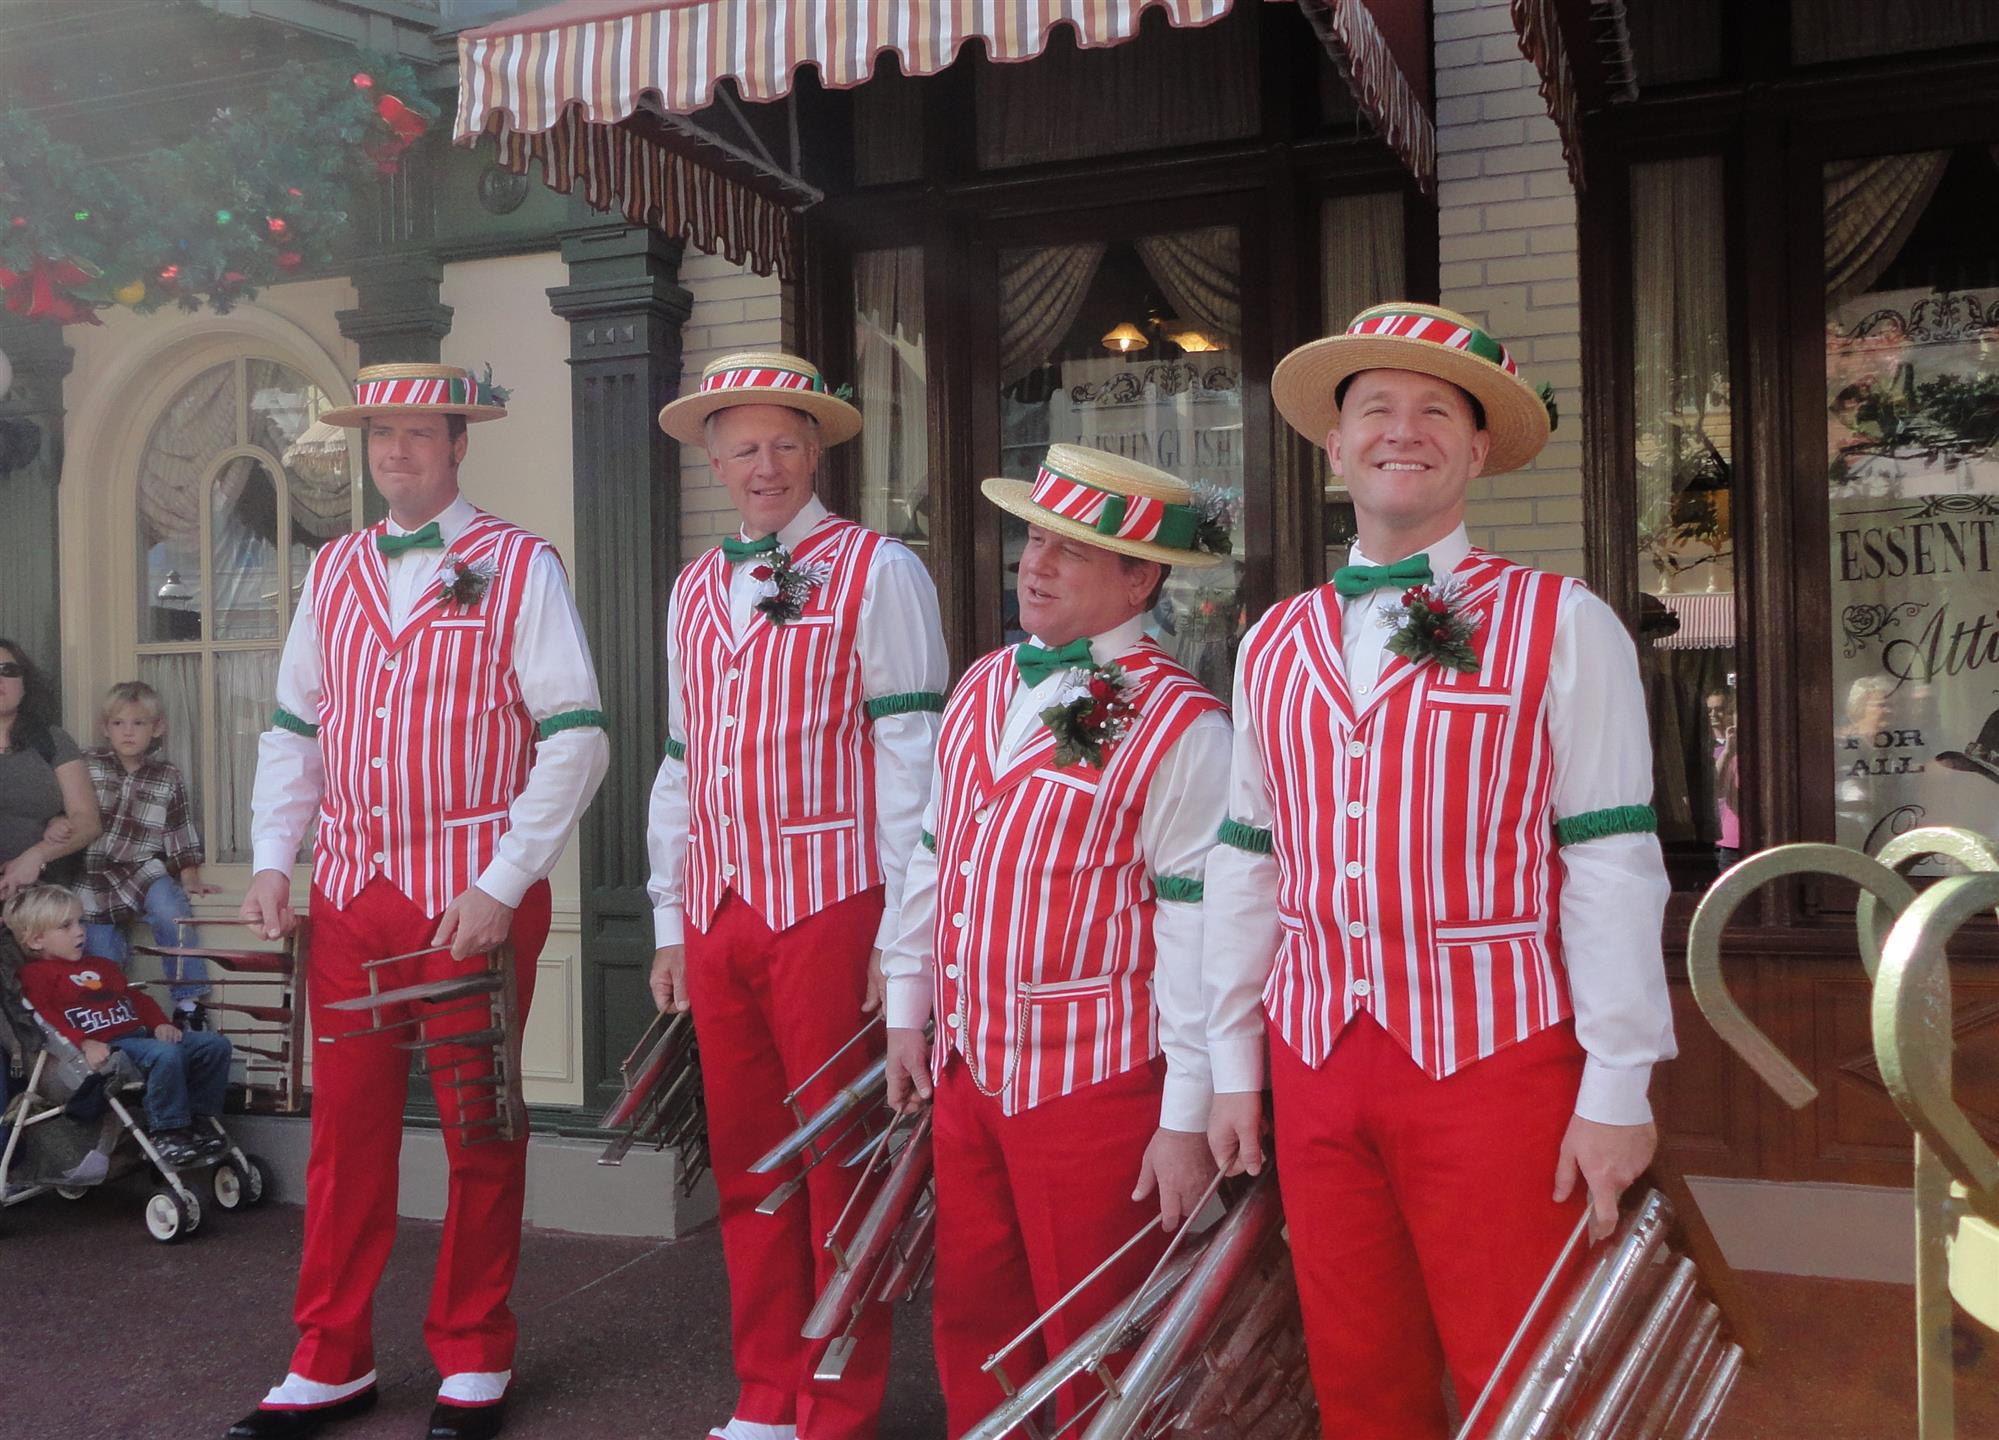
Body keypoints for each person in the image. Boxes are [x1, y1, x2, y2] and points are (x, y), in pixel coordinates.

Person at [1203, 303, 1676, 1440]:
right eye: (1374, 408)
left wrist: (1618, 1085)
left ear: (1474, 451)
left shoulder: (1564, 623)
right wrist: (1229, 1058)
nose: (1399, 430)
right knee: (1358, 1366)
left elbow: (1611, 861)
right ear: (1334, 445)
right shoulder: (1270, 640)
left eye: (1433, 412)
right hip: (1314, 1056)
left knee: (1528, 1367)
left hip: (1497, 1057)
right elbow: (1244, 861)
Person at [228, 363, 609, 1440]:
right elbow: (296, 730)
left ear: (458, 444)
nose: (395, 452)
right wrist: (272, 856)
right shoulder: (337, 567)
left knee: (477, 1127)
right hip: (350, 898)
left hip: (467, 906)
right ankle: (328, 1357)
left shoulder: (519, 564)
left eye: (417, 434)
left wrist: (503, 882)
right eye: (380, 434)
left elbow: (577, 735)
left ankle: (475, 1351)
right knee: (346, 1136)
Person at [880, 444, 1235, 1436]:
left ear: (1140, 578)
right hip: (969, 1072)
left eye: (1070, 551)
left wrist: (1185, 1116)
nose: (1034, 565)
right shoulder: (985, 684)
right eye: (1034, 538)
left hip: (1099, 1086)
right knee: (974, 1322)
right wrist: (909, 1010)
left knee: (1098, 1340)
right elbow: (929, 854)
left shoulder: (1182, 726)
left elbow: (1198, 929)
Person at [646, 350, 949, 1440]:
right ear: (714, 460)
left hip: (833, 904)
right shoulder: (691, 587)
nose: (762, 464)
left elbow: (914, 758)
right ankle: (768, 1390)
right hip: (720, 911)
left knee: (835, 1163)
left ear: (815, 451)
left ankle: (835, 1401)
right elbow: (679, 760)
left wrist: (902, 936)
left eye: (783, 443)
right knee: (746, 1162)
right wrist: (670, 912)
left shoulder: (878, 570)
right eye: (742, 447)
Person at [7, 884, 232, 1166]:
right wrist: (83, 1043)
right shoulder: (35, 976)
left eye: (80, 922)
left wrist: (160, 1023)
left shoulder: (102, 966)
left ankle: (199, 1119)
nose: (79, 931)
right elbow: (46, 1018)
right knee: (166, 1055)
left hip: (140, 1035)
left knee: (215, 1045)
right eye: (66, 926)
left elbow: (136, 1000)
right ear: (37, 940)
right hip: (108, 1046)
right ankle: (166, 1132)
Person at [0, 636, 102, 1118]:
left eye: (6, 670)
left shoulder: (49, 740)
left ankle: (64, 1130)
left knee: (58, 1009)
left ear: (24, 682)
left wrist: (36, 855)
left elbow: (87, 820)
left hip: (43, 912)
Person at [80, 681, 217, 1025]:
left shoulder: (166, 776)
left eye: (138, 723)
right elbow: (69, 811)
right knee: (101, 950)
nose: (128, 732)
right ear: (105, 728)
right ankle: (114, 1015)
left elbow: (178, 829)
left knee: (171, 912)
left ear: (157, 728)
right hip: (95, 871)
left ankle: (188, 1002)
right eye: (119, 724)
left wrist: (189, 876)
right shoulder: (88, 765)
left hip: (144, 868)